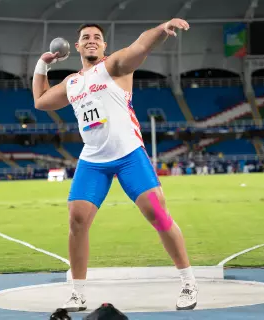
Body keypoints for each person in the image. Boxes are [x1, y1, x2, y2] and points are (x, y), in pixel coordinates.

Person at [32, 19, 197, 312]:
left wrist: (161, 30)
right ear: (78, 45)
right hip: (93, 160)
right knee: (77, 220)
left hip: (129, 154)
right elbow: (41, 101)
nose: (92, 40)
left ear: (104, 45)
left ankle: (187, 281)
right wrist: (43, 64)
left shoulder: (115, 66)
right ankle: (77, 292)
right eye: (86, 37)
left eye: (97, 36)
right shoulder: (72, 83)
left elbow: (141, 45)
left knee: (158, 214)